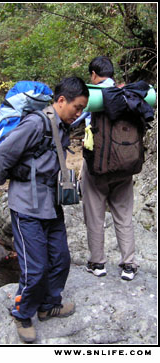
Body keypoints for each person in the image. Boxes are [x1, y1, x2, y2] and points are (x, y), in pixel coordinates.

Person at [0, 76, 89, 343]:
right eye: (76, 107)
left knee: (61, 259)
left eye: (82, 109)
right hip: (26, 205)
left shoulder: (62, 125)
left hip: (50, 202)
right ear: (60, 101)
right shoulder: (36, 123)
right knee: (35, 268)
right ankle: (22, 313)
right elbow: (3, 155)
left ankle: (48, 304)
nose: (78, 113)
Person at [80, 56, 139, 281]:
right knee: (124, 215)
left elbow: (75, 119)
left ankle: (97, 263)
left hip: (98, 165)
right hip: (126, 164)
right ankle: (129, 265)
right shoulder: (128, 94)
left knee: (94, 213)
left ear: (94, 74)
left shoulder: (95, 97)